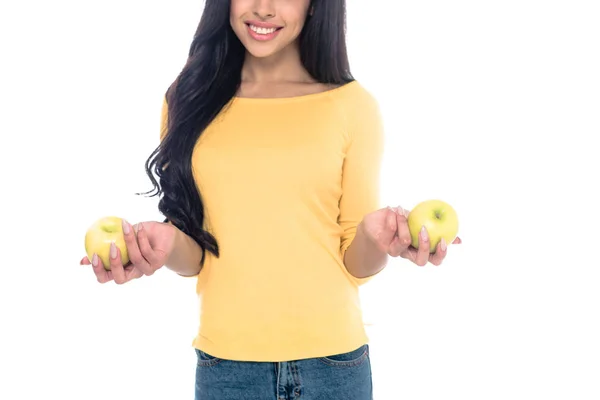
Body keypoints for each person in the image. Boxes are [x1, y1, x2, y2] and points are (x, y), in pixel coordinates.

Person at [80, 0, 461, 399]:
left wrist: (374, 235)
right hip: (225, 368)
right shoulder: (187, 99)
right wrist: (166, 242)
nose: (263, 8)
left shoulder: (353, 106)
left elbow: (356, 264)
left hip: (333, 368)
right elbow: (197, 256)